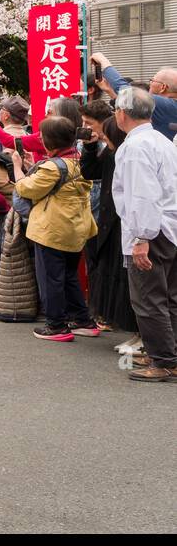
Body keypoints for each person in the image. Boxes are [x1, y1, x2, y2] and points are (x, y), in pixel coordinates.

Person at [110, 87, 177, 381]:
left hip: (152, 229)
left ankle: (164, 360)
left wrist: (142, 238)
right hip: (168, 226)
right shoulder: (162, 140)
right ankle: (167, 354)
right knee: (169, 297)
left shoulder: (136, 147)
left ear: (122, 114)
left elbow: (141, 196)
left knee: (149, 299)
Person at [12, 115, 98, 342]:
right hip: (76, 227)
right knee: (69, 276)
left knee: (51, 279)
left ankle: (56, 325)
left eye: (42, 135)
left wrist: (18, 168)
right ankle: (82, 320)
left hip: (52, 230)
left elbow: (26, 189)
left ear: (50, 140)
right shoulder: (79, 160)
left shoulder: (52, 167)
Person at [80, 110, 138, 351]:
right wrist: (90, 148)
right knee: (117, 278)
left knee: (131, 282)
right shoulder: (113, 153)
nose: (97, 133)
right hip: (110, 223)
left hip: (125, 224)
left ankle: (143, 338)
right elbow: (90, 172)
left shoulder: (129, 153)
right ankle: (137, 334)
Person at [91, 52, 177, 141]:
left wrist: (104, 62)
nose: (150, 83)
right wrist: (110, 91)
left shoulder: (164, 104)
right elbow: (130, 105)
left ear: (163, 87)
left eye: (152, 80)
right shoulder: (169, 107)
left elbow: (127, 91)